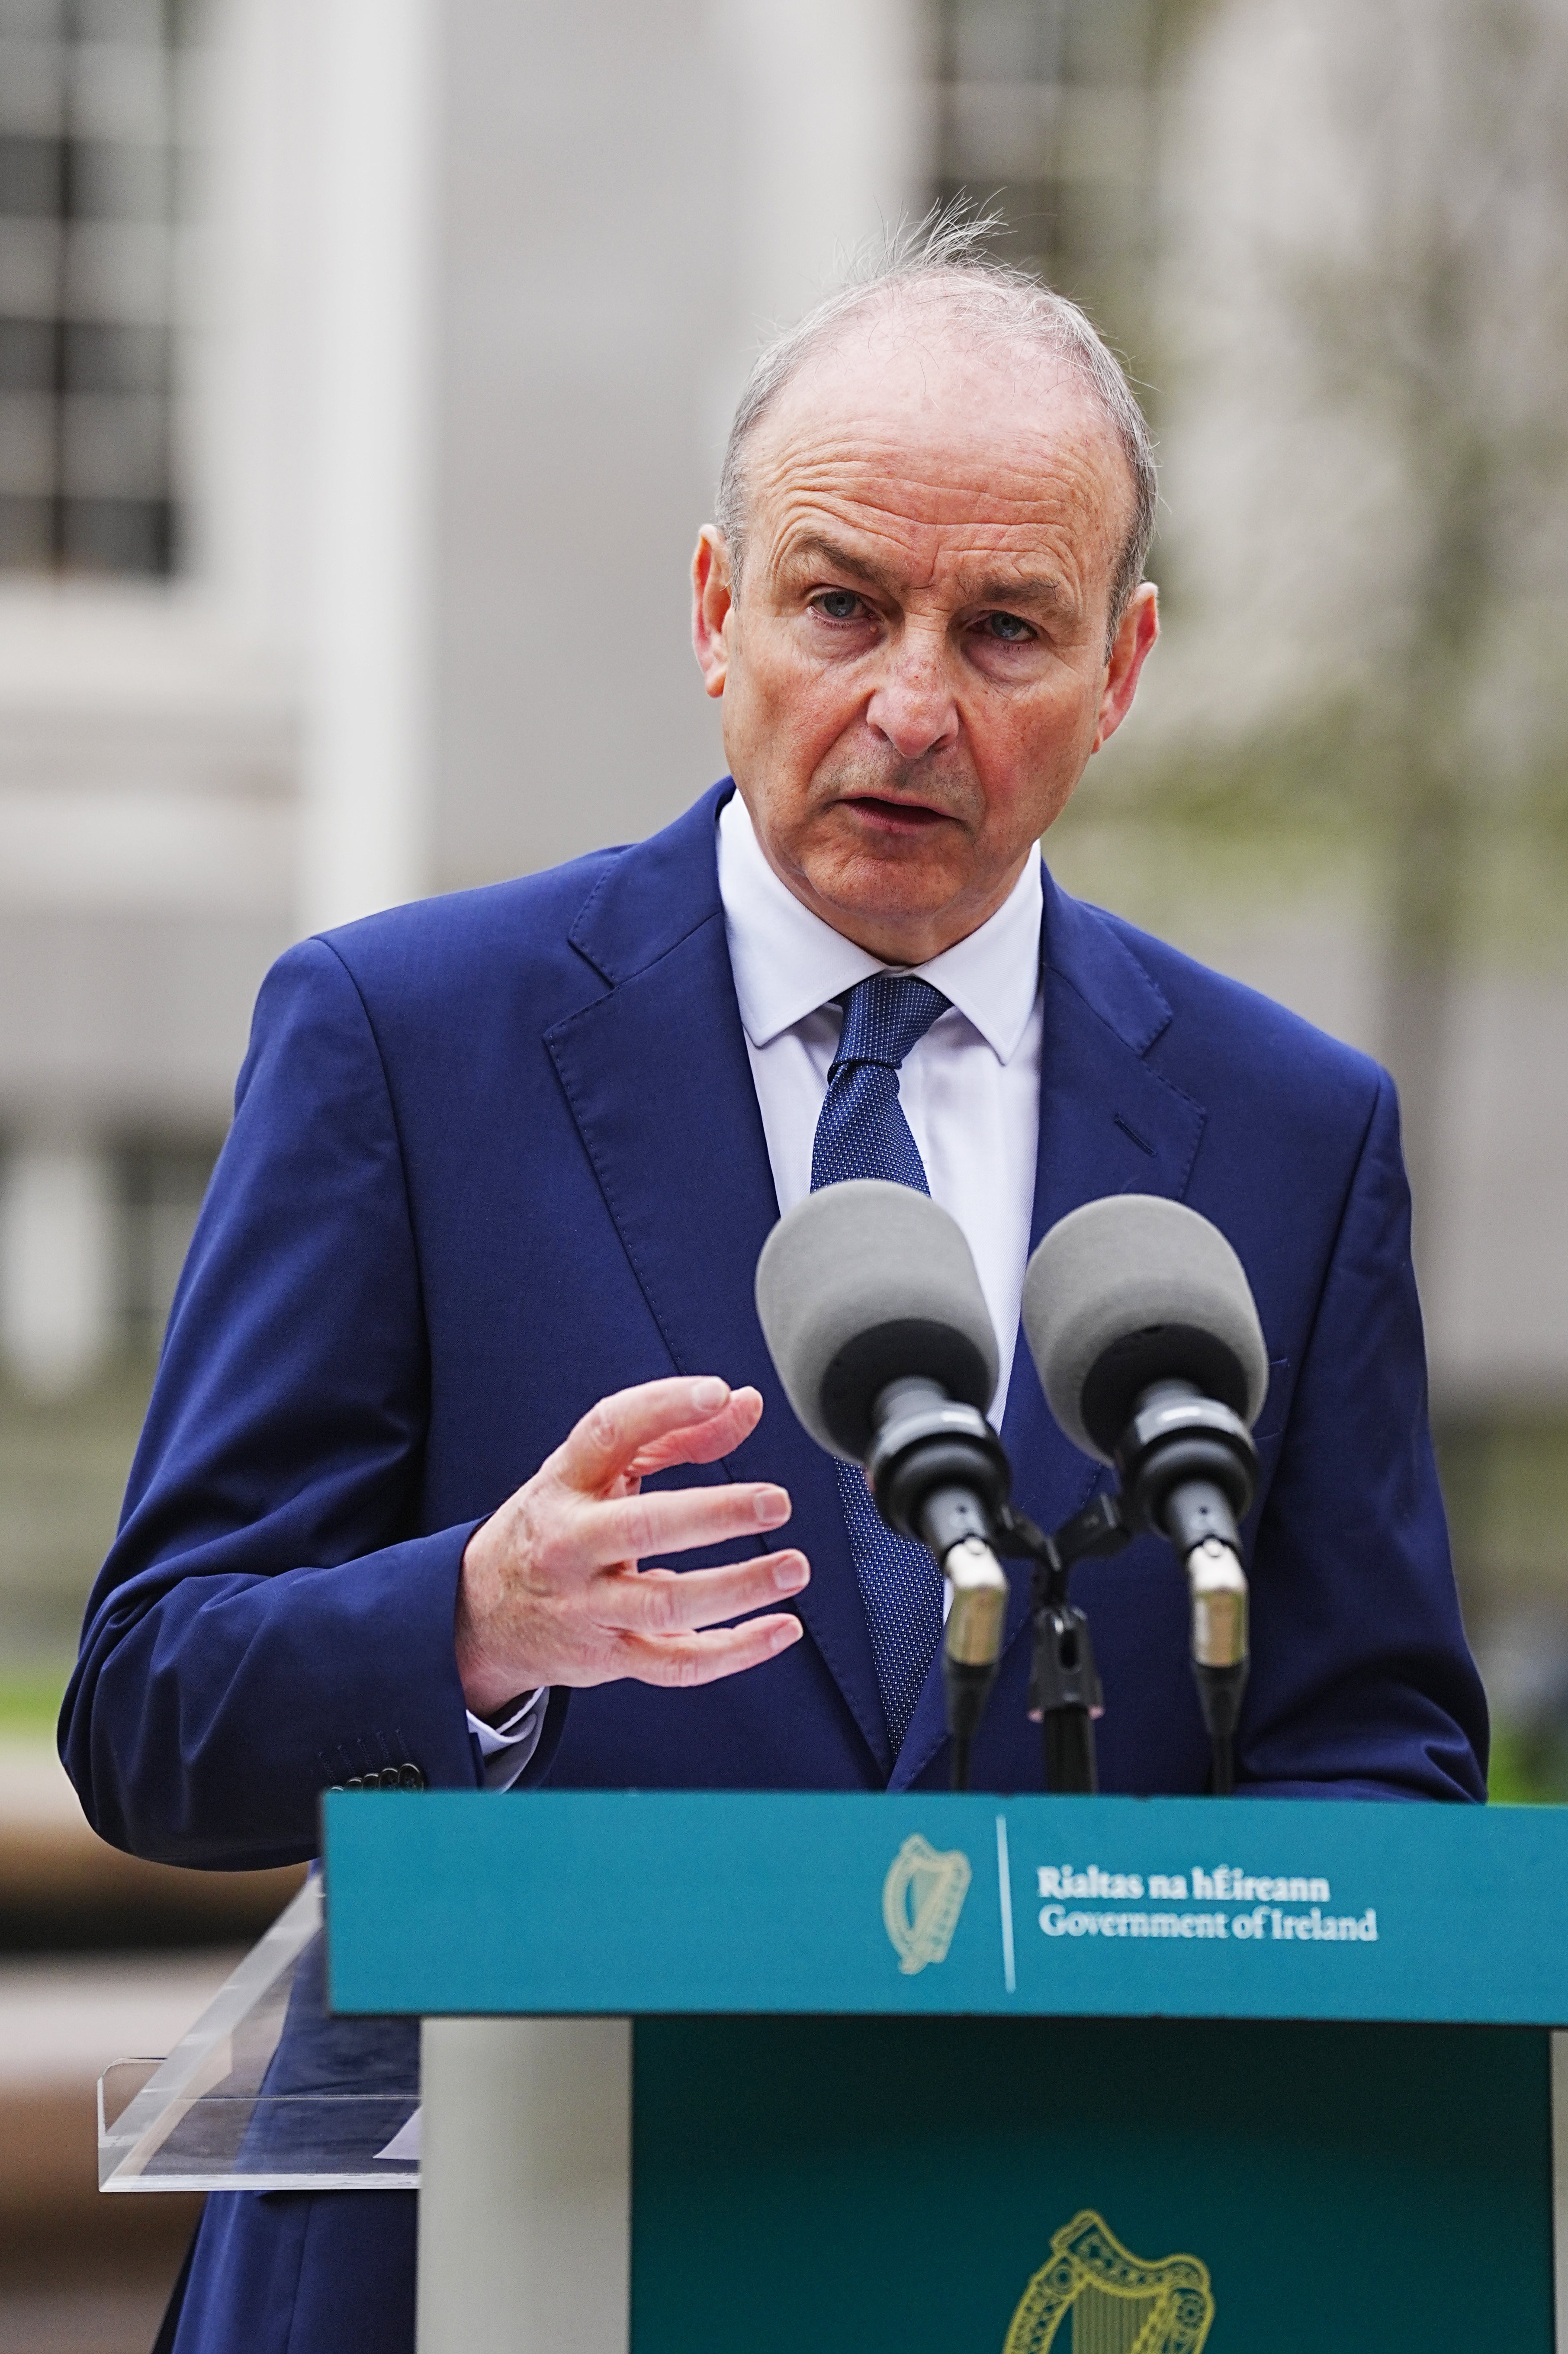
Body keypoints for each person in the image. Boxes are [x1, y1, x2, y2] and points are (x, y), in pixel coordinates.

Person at [61, 217, 1486, 2354]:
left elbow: (1378, 1760)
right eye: (842, 601)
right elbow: (152, 1713)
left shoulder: (1294, 1136)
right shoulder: (406, 1037)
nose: (911, 701)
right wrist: (473, 1619)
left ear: (1123, 671)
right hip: (465, 2268)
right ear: (719, 612)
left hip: (1012, 2252)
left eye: (1006, 626)